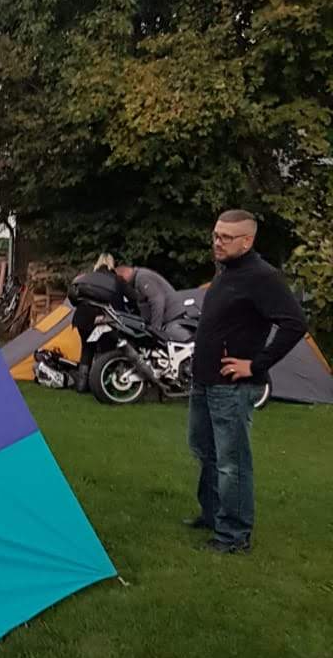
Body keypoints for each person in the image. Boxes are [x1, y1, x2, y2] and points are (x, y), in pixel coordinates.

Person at [187, 209, 306, 554]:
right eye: (215, 235)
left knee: (232, 462)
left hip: (231, 386)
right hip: (205, 379)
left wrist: (255, 365)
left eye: (226, 237)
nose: (217, 242)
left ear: (247, 241)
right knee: (204, 450)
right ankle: (213, 515)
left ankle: (234, 536)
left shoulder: (261, 277)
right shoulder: (227, 271)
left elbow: (295, 323)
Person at [66, 254, 129, 392]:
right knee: (107, 351)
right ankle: (105, 385)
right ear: (112, 264)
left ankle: (82, 385)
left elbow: (73, 298)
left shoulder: (86, 278)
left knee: (87, 349)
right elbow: (129, 299)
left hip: (82, 318)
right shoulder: (116, 280)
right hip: (104, 318)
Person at [114, 262, 193, 342]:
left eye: (121, 281)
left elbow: (157, 301)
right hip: (169, 318)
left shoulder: (142, 278)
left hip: (171, 318)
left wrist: (155, 328)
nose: (123, 284)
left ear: (123, 276)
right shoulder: (139, 278)